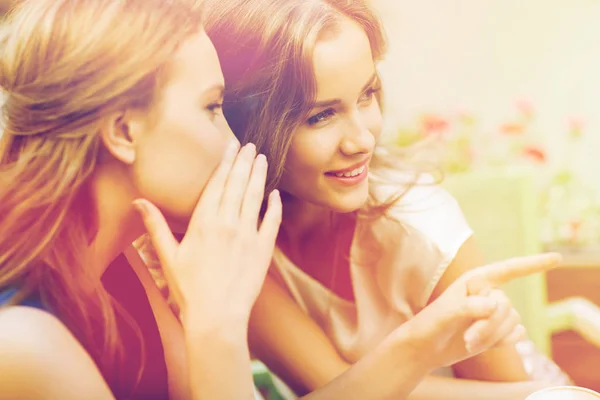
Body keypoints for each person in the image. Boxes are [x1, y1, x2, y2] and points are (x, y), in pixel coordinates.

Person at [0, 0, 561, 399]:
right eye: (214, 108)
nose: (234, 140)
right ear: (122, 132)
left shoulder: (123, 258)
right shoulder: (26, 343)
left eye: (368, 94)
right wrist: (217, 326)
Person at [198, 0, 571, 397]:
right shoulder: (234, 240)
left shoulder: (421, 228)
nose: (362, 140)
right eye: (320, 116)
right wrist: (419, 346)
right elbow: (328, 384)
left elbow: (523, 396)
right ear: (242, 121)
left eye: (367, 93)